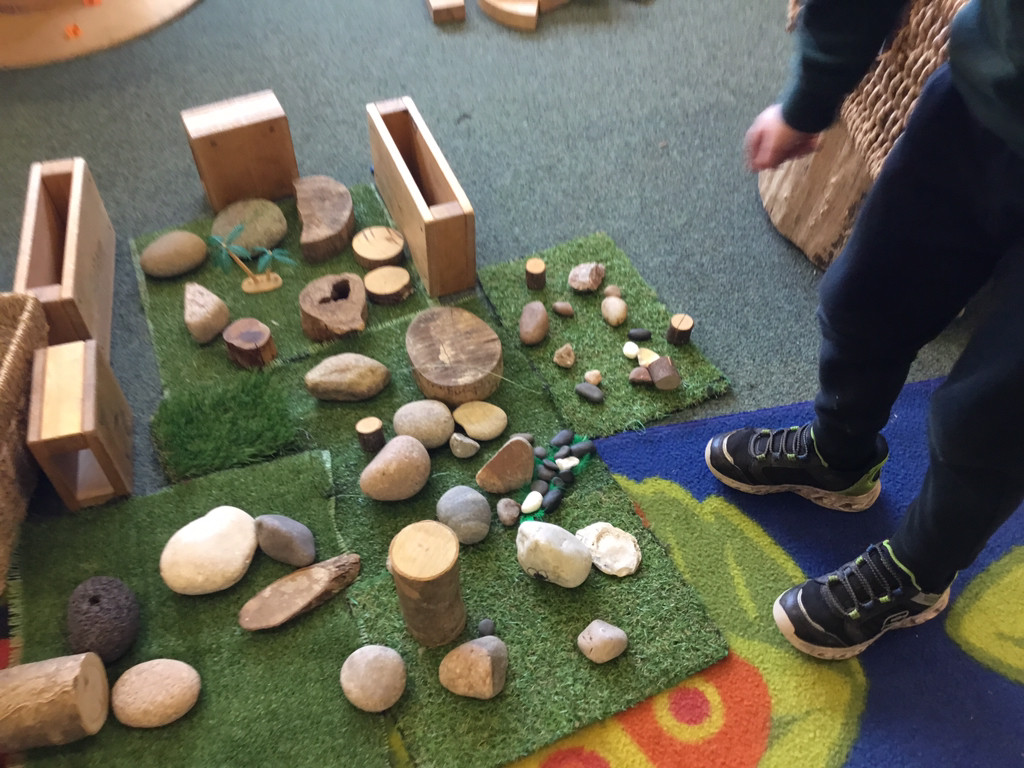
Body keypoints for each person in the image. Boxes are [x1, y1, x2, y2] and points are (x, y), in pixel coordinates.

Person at [705, 0, 1024, 660]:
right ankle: (838, 455)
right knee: (867, 293)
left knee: (994, 414)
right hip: (983, 100)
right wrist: (811, 96)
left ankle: (920, 571)